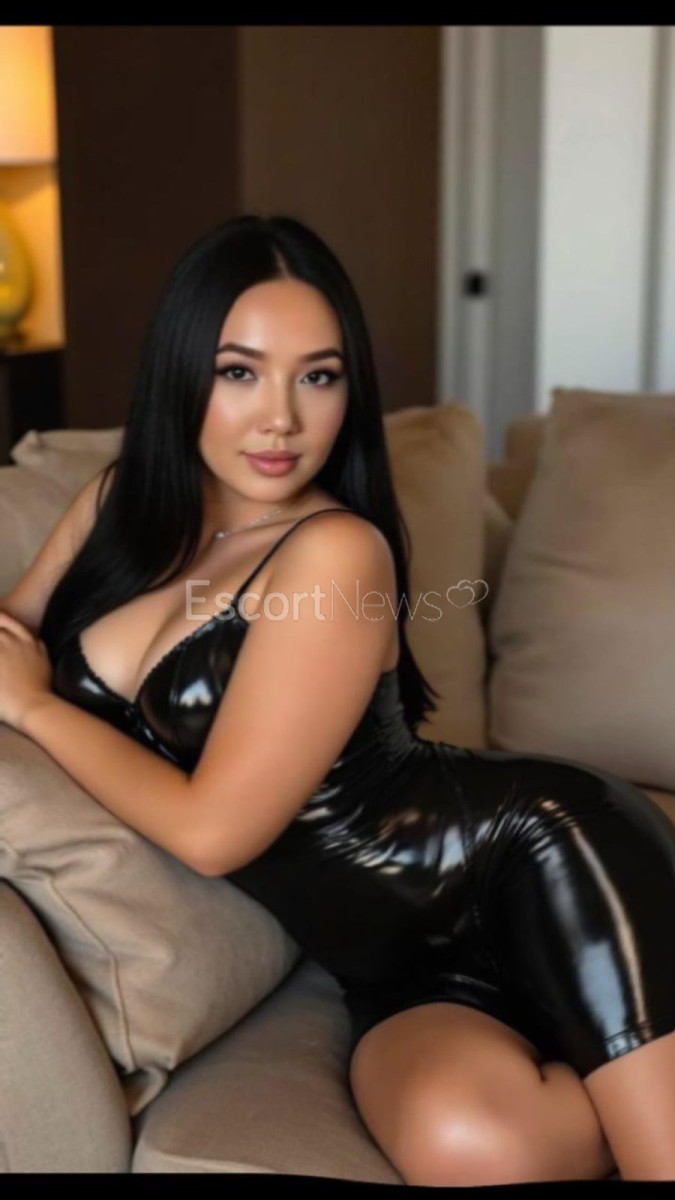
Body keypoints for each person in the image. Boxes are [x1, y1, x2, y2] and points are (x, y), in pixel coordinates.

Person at [0, 213, 673, 1185]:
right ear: (182, 372)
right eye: (240, 372)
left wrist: (37, 710)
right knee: (473, 1146)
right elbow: (10, 636)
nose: (281, 418)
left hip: (531, 863)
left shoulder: (335, 553)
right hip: (395, 965)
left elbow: (214, 833)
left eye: (318, 377)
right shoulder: (116, 506)